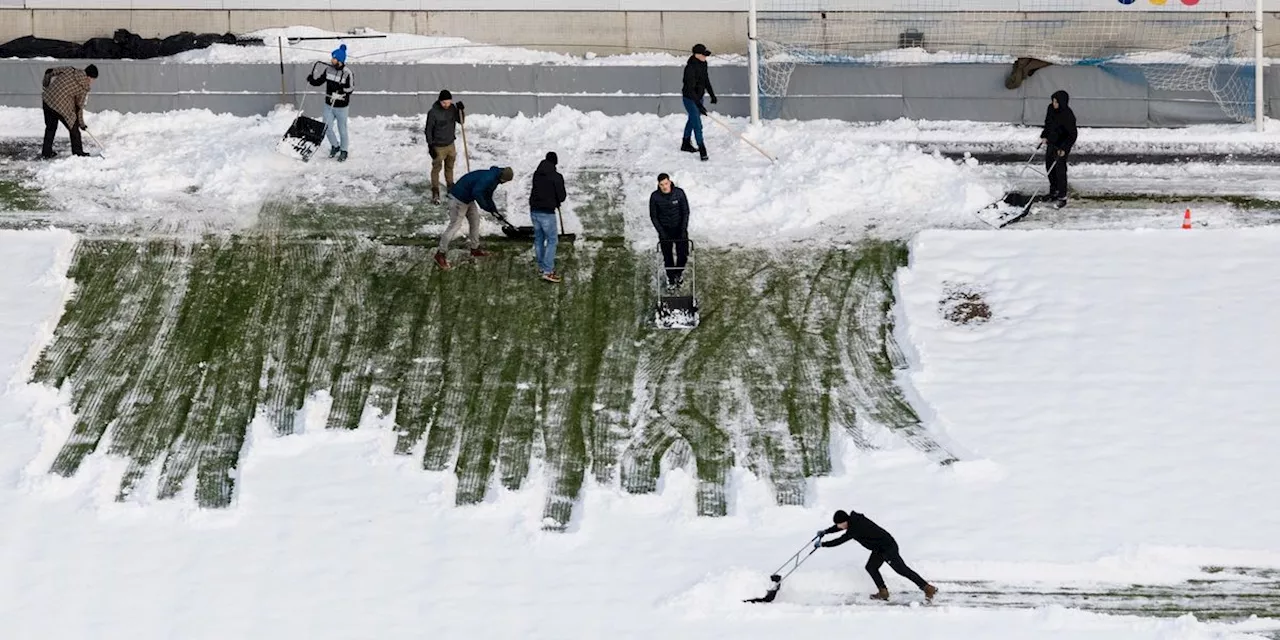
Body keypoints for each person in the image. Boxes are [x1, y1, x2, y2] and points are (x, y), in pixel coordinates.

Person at [815, 509, 938, 602]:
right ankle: (883, 592)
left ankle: (927, 588)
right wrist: (826, 532)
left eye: (840, 524)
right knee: (871, 567)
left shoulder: (855, 528)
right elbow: (838, 528)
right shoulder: (852, 521)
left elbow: (840, 540)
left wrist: (823, 544)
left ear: (845, 521)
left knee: (902, 570)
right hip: (879, 548)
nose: (839, 527)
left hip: (887, 547)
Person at [435, 166, 514, 270]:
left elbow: (488, 196)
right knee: (454, 226)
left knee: (475, 221)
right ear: (503, 178)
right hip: (458, 199)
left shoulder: (495, 178)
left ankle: (475, 249)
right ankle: (440, 254)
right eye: (506, 181)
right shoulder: (489, 178)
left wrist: (494, 211)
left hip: (468, 198)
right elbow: (477, 192)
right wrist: (485, 207)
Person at [307, 44, 354, 162]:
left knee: (342, 129)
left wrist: (342, 90)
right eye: (332, 58)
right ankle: (335, 146)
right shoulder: (328, 69)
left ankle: (344, 150)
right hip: (329, 104)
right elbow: (320, 81)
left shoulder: (348, 73)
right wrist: (312, 80)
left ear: (340, 60)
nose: (332, 60)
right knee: (326, 128)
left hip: (341, 106)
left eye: (334, 58)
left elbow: (351, 88)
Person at [41, 64, 97, 159]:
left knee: (50, 128)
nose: (92, 82)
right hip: (61, 107)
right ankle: (78, 153)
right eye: (92, 80)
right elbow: (78, 107)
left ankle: (46, 152)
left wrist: (46, 84)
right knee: (74, 130)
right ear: (88, 77)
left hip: (47, 100)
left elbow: (49, 71)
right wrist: (81, 124)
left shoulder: (69, 69)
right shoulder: (84, 87)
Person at [529, 151, 567, 283]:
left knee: (539, 238)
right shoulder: (557, 177)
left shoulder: (536, 174)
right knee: (552, 241)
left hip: (534, 211)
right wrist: (556, 199)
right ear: (555, 163)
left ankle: (541, 266)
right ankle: (548, 271)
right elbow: (561, 196)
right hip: (547, 213)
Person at [649, 173, 690, 289]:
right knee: (668, 257)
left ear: (670, 182)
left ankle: (678, 273)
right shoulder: (655, 197)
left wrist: (683, 229)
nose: (664, 187)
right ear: (658, 184)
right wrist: (662, 232)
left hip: (679, 229)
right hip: (665, 231)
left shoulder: (679, 193)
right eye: (661, 184)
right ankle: (670, 277)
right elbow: (654, 216)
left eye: (666, 183)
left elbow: (685, 212)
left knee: (682, 255)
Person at [424, 90, 465, 205]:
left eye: (448, 102)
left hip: (451, 145)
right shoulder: (433, 113)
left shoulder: (452, 109)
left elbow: (461, 121)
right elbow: (428, 130)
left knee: (449, 167)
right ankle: (435, 192)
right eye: (444, 103)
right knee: (436, 169)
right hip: (438, 147)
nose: (446, 105)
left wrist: (461, 110)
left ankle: (450, 188)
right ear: (440, 101)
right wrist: (430, 145)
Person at [1039, 89, 1077, 209]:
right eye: (1053, 101)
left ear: (1062, 102)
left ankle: (1062, 196)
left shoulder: (1068, 115)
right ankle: (1053, 191)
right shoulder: (1051, 109)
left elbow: (1072, 135)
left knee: (1060, 169)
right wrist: (1044, 135)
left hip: (1063, 144)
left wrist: (1064, 148)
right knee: (1049, 166)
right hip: (1052, 141)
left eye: (1056, 102)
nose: (1053, 104)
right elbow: (1048, 123)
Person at [681, 44, 717, 162]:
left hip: (699, 97)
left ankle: (685, 143)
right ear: (696, 55)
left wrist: (712, 94)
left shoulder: (703, 64)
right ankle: (702, 149)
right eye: (703, 55)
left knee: (692, 119)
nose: (705, 57)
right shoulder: (690, 68)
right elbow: (690, 90)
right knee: (697, 123)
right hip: (689, 99)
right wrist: (699, 105)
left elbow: (706, 80)